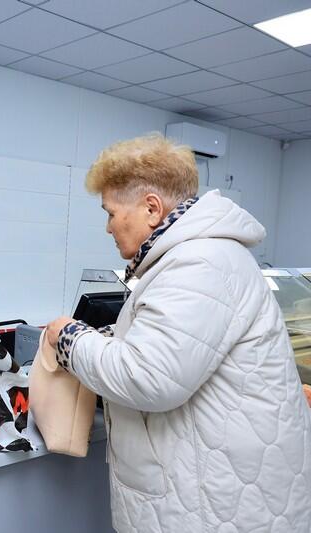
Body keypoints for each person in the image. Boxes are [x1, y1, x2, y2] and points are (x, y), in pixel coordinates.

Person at [45, 134, 311, 532]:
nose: (108, 227)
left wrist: (71, 340)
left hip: (218, 504)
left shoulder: (198, 263)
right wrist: (111, 337)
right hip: (223, 490)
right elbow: (173, 342)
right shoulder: (195, 257)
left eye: (111, 213)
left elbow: (150, 377)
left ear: (152, 208)